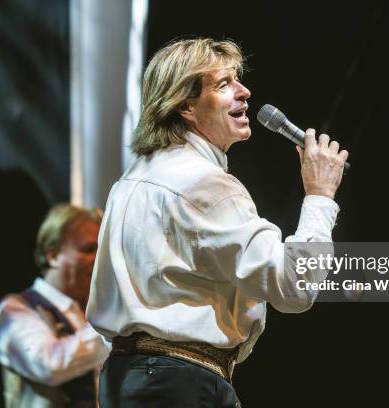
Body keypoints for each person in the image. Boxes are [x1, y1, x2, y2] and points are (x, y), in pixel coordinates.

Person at [87, 38, 349, 408]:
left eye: (238, 80)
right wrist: (320, 195)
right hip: (178, 382)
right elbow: (296, 285)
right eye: (223, 85)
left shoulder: (128, 183)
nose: (245, 92)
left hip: (128, 378)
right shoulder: (205, 184)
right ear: (186, 106)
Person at [0, 204, 109, 407]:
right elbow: (49, 364)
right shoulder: (16, 309)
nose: (99, 259)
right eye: (89, 249)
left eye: (101, 249)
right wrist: (111, 324)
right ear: (53, 255)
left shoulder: (94, 310)